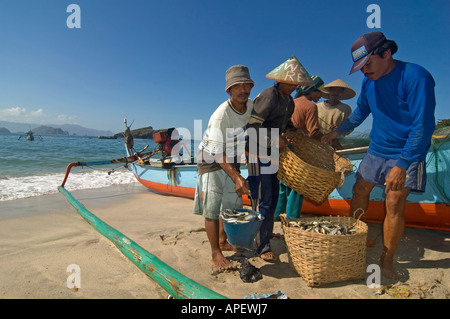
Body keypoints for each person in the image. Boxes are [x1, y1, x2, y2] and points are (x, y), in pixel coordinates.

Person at [322, 32, 436, 279]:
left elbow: (423, 125)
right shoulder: (369, 82)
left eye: (368, 64)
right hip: (377, 149)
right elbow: (360, 112)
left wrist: (403, 164)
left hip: (407, 150)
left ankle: (387, 258)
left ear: (387, 53)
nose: (365, 71)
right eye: (360, 67)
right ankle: (355, 239)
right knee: (360, 190)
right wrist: (337, 132)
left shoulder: (416, 77)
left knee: (393, 202)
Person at [246, 56, 313, 262]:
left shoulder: (289, 102)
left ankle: (264, 234)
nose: (294, 87)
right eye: (291, 83)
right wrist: (273, 139)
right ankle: (261, 245)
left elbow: (284, 126)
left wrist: (295, 132)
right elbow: (251, 127)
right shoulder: (269, 96)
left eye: (297, 84)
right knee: (262, 199)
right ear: (281, 81)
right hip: (258, 152)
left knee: (273, 197)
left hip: (274, 153)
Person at [193, 65, 253, 271]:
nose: (243, 90)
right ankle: (215, 252)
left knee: (229, 204)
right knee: (212, 206)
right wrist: (237, 177)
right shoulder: (221, 115)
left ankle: (223, 241)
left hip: (232, 156)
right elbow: (218, 153)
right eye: (238, 87)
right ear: (229, 91)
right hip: (210, 159)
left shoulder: (252, 107)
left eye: (247, 85)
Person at [274, 76, 327, 221]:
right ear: (312, 90)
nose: (321, 96)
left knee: (283, 181)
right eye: (319, 92)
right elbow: (313, 132)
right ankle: (292, 217)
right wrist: (328, 139)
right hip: (298, 149)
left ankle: (276, 215)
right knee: (298, 184)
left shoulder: (291, 102)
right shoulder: (310, 106)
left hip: (282, 146)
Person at [317, 79, 355, 149]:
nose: (336, 93)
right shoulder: (317, 107)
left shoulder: (345, 109)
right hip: (318, 142)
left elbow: (350, 127)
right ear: (329, 91)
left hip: (336, 144)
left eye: (339, 91)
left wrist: (340, 128)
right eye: (334, 90)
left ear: (342, 93)